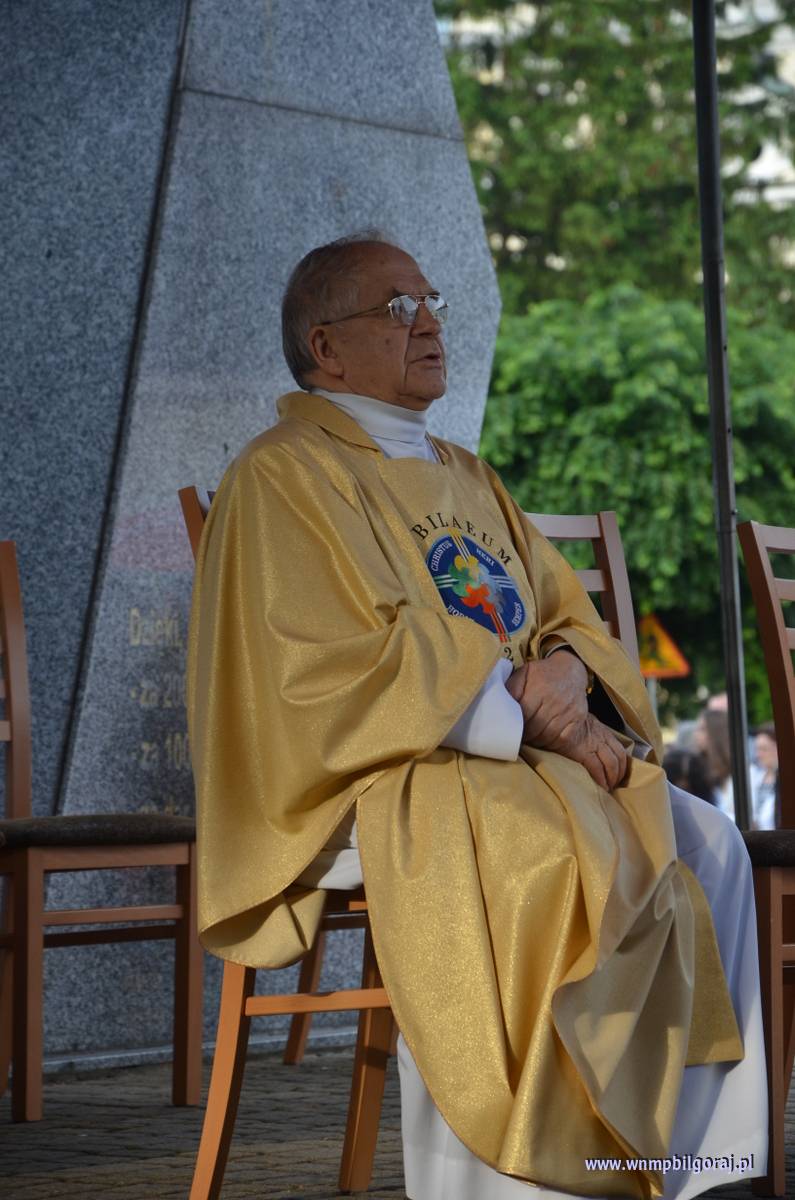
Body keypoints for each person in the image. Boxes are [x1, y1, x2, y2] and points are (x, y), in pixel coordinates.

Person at [187, 232, 767, 1200]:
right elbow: (322, 664)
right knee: (535, 857)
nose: (429, 326)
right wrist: (523, 712)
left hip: (510, 751)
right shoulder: (280, 475)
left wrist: (568, 679)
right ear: (325, 348)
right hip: (372, 772)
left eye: (432, 303)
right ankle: (519, 1178)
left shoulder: (465, 472)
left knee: (708, 843)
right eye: (398, 308)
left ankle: (703, 1169)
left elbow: (560, 616)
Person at [750, 722, 779, 831]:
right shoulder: (754, 777)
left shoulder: (786, 781)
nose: (758, 755)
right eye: (757, 749)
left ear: (778, 748)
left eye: (764, 749)